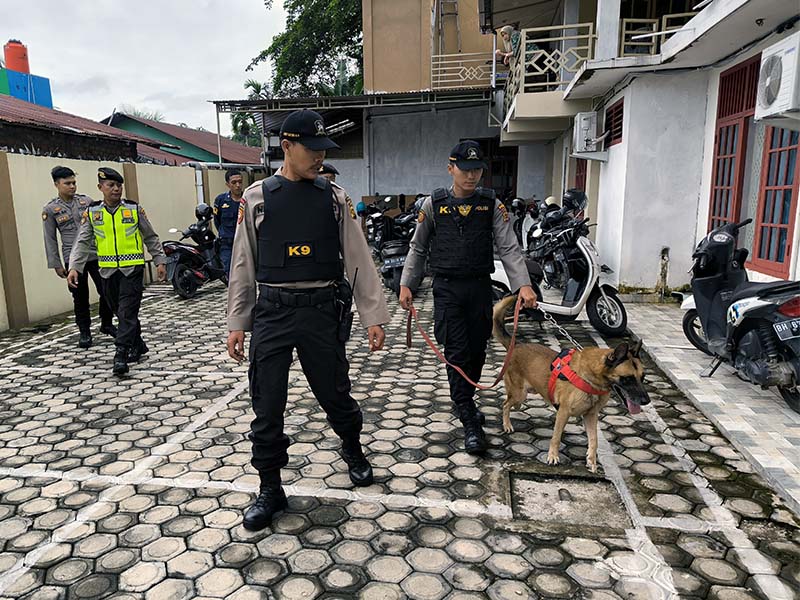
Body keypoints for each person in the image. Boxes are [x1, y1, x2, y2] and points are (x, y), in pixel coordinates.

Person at [226, 109, 390, 531]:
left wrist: (373, 314)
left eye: (323, 150)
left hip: (321, 311)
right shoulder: (257, 197)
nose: (320, 157)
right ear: (286, 147)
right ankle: (269, 487)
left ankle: (352, 449)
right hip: (273, 313)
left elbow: (357, 256)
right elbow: (243, 261)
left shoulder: (334, 197)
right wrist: (237, 321)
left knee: (335, 394)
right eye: (312, 149)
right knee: (266, 405)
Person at [399, 141, 537, 455]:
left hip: (478, 288)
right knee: (458, 351)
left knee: (476, 351)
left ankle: (466, 400)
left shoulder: (491, 204)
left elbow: (509, 248)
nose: (472, 176)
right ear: (451, 168)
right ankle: (468, 415)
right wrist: (407, 283)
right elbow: (418, 248)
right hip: (446, 289)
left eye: (477, 170)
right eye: (465, 169)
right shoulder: (432, 205)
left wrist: (523, 286)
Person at [67, 167, 167, 376]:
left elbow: (150, 236)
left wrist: (159, 260)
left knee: (127, 311)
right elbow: (83, 242)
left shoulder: (133, 209)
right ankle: (138, 344)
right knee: (118, 311)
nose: (116, 189)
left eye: (119, 185)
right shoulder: (93, 212)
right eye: (111, 185)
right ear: (100, 187)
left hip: (132, 270)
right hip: (107, 272)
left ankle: (121, 353)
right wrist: (75, 267)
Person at [42, 166, 115, 348]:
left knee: (107, 291)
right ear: (57, 185)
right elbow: (49, 239)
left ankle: (106, 324)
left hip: (95, 254)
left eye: (74, 182)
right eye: (67, 183)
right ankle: (85, 332)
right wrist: (57, 264)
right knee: (80, 297)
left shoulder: (86, 202)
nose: (72, 186)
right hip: (72, 259)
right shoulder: (50, 209)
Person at [214, 169, 244, 275]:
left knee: (246, 272)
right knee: (229, 271)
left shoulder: (248, 199)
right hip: (227, 244)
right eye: (234, 182)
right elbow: (217, 221)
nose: (238, 185)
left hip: (245, 243)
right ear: (227, 184)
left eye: (240, 182)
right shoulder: (221, 201)